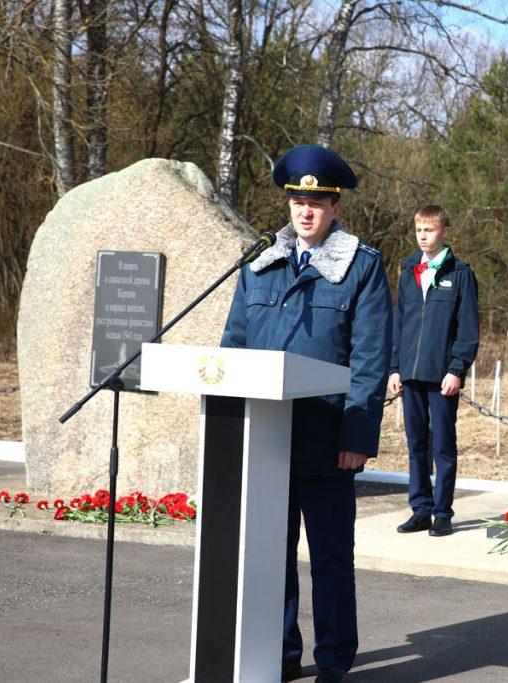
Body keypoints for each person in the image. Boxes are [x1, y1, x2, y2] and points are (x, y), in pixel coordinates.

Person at [220, 144, 392, 682]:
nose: (306, 211)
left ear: (335, 207)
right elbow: (235, 344)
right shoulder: (259, 263)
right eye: (298, 200)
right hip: (266, 437)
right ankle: (280, 654)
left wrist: (358, 435)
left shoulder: (361, 268)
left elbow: (370, 359)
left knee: (331, 560)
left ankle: (336, 660)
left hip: (327, 439)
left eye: (317, 202)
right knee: (272, 558)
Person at [388, 205, 479, 537]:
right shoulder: (408, 271)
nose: (423, 236)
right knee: (416, 445)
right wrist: (394, 367)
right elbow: (399, 325)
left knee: (442, 445)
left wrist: (457, 369)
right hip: (410, 374)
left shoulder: (461, 274)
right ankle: (421, 510)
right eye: (418, 230)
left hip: (442, 376)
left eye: (429, 230)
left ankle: (442, 512)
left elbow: (468, 330)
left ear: (445, 232)